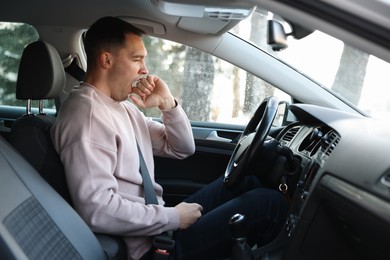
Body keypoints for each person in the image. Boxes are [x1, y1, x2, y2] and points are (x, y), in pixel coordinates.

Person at [51, 16, 288, 260]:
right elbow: (97, 209)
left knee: (247, 181)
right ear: (107, 60)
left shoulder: (120, 107)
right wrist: (173, 218)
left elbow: (182, 148)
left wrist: (168, 105)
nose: (144, 69)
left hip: (157, 224)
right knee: (267, 204)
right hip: (149, 249)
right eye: (137, 59)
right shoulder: (87, 117)